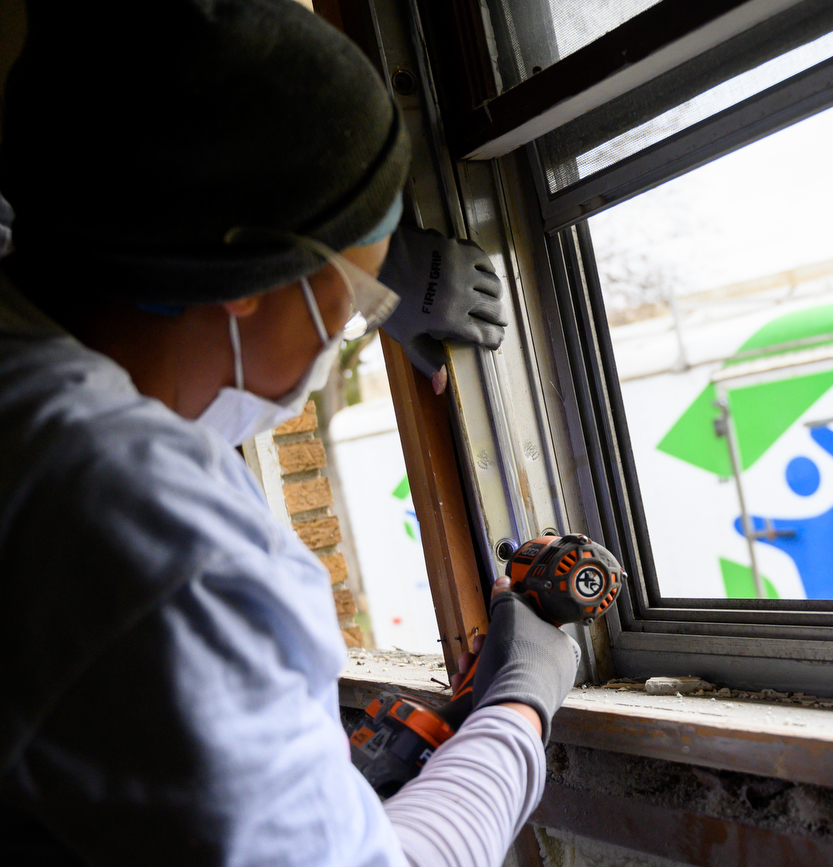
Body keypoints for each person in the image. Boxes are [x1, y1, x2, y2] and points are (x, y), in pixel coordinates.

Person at [0, 2, 577, 865]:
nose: (353, 329)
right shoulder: (149, 541)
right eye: (355, 304)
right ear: (246, 279)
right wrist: (517, 710)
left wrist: (369, 256)